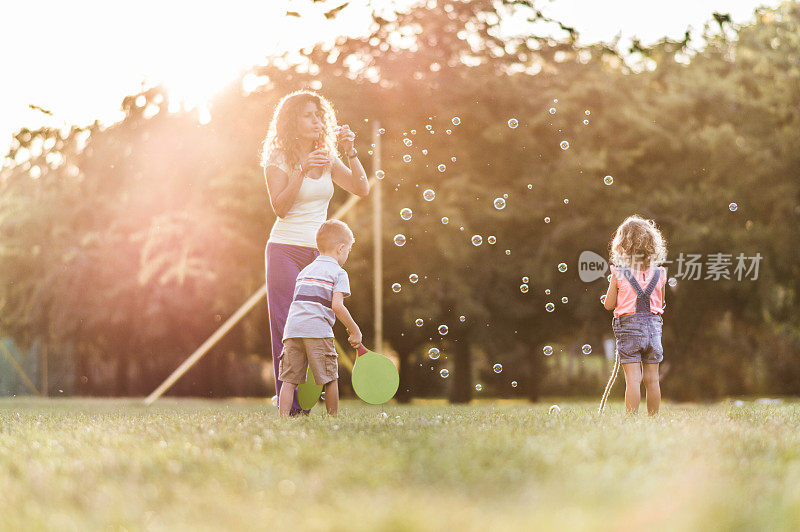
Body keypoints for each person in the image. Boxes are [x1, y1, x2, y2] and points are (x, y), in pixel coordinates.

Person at [261, 90, 369, 415]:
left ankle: (308, 399)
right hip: (284, 250)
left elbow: (361, 188)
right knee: (287, 327)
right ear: (292, 120)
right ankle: (292, 408)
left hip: (319, 256)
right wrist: (301, 169)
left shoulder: (326, 157)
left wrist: (350, 151)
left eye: (318, 115)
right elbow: (280, 207)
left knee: (317, 324)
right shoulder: (278, 159)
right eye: (309, 115)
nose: (317, 121)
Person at [277, 220, 362, 416]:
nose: (347, 254)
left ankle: (282, 420)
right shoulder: (339, 273)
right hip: (317, 331)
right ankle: (332, 419)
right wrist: (355, 329)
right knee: (330, 378)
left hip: (293, 330)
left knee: (289, 380)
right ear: (341, 248)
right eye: (348, 250)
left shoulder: (304, 271)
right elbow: (337, 306)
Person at [602, 215, 668, 415]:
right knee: (652, 379)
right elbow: (661, 303)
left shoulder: (618, 273)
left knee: (633, 379)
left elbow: (609, 305)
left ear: (622, 245)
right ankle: (653, 419)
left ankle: (631, 420)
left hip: (630, 329)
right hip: (654, 329)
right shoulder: (660, 274)